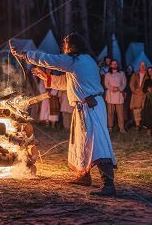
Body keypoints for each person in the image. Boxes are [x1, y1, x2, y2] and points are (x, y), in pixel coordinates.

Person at [11, 32, 117, 196]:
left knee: (98, 143)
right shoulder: (82, 62)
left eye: (66, 44)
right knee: (81, 143)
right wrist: (47, 77)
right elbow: (66, 83)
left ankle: (108, 184)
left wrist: (25, 54)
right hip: (85, 107)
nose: (64, 47)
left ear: (72, 46)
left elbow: (50, 60)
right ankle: (84, 176)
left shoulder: (77, 60)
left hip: (91, 107)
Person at [104, 59, 127, 133]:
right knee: (110, 112)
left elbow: (124, 83)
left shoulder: (121, 73)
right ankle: (110, 127)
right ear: (110, 65)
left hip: (119, 95)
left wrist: (119, 88)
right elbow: (106, 84)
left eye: (116, 64)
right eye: (113, 64)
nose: (114, 65)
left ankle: (121, 128)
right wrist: (112, 88)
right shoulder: (107, 74)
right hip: (111, 94)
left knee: (120, 113)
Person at [129, 61, 149, 130]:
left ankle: (145, 124)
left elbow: (149, 84)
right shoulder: (135, 74)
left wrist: (144, 91)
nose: (142, 67)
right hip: (136, 94)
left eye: (144, 65)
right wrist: (135, 90)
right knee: (136, 110)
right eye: (141, 65)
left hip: (144, 94)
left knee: (144, 109)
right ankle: (137, 124)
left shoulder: (148, 74)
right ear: (139, 66)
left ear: (145, 66)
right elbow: (131, 84)